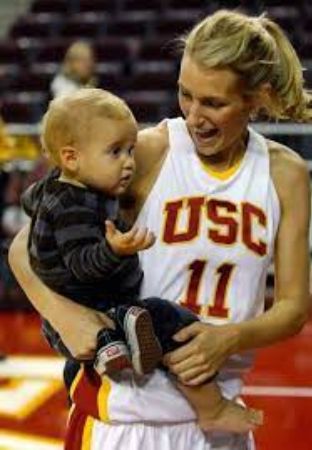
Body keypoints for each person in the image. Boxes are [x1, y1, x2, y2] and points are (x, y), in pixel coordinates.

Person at [9, 9, 311, 450]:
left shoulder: (285, 174)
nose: (194, 115)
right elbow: (27, 243)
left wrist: (229, 338)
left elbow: (292, 308)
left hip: (220, 422)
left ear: (256, 98)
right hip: (126, 420)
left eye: (214, 103)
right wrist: (66, 319)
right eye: (185, 95)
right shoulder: (149, 151)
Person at [21, 87, 260, 433]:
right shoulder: (74, 207)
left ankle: (113, 349)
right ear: (71, 158)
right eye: (115, 152)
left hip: (91, 312)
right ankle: (211, 406)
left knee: (147, 325)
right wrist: (115, 250)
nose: (129, 161)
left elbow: (32, 201)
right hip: (94, 308)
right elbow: (81, 265)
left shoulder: (56, 190)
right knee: (171, 321)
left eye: (131, 149)